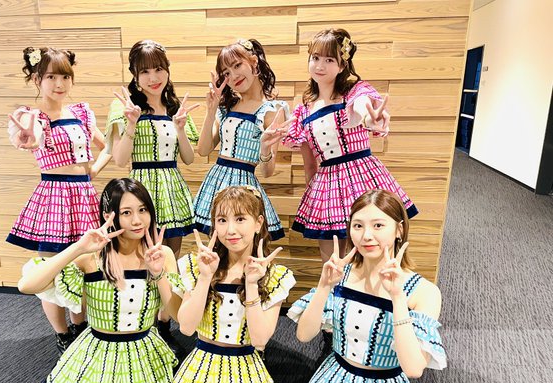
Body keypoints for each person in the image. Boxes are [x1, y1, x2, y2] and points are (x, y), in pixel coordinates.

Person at [279, 189, 446, 383]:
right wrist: (324, 287)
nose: (366, 235)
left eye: (378, 225)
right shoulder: (341, 272)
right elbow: (303, 335)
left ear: (399, 229)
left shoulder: (423, 291)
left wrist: (397, 298)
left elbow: (414, 368)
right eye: (358, 226)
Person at [17, 178, 179, 383]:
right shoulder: (92, 256)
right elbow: (28, 285)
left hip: (143, 355)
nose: (137, 220)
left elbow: (176, 313)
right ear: (110, 215)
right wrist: (78, 247)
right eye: (126, 212)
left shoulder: (162, 253)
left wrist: (159, 274)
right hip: (98, 355)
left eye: (143, 210)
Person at [150, 186, 296, 383]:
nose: (231, 229)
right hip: (200, 369)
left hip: (245, 374)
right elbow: (187, 327)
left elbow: (260, 339)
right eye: (222, 220)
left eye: (240, 219)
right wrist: (204, 278)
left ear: (259, 222)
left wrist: (252, 284)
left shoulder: (275, 275)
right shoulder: (197, 264)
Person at [7, 47, 110, 353]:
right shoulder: (31, 116)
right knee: (52, 267)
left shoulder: (81, 113)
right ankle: (62, 333)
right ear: (37, 79)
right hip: (53, 197)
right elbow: (29, 138)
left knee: (85, 263)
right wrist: (27, 138)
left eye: (65, 76)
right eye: (51, 77)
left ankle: (80, 326)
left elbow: (107, 146)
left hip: (84, 196)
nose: (59, 83)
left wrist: (93, 170)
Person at [283, 28, 417, 262]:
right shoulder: (303, 111)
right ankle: (336, 287)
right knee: (332, 259)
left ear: (342, 65)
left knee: (372, 251)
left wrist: (371, 118)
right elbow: (309, 166)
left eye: (329, 60)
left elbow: (362, 107)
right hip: (326, 185)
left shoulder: (355, 93)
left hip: (361, 178)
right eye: (315, 58)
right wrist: (313, 198)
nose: (320, 65)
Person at [106, 40, 199, 258]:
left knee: (171, 257)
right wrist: (131, 123)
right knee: (146, 256)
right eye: (145, 71)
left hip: (172, 189)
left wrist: (180, 129)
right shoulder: (124, 106)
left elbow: (188, 159)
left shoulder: (175, 107)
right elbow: (120, 160)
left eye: (158, 69)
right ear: (135, 75)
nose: (153, 78)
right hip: (141, 189)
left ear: (167, 69)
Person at [193, 39, 290, 240]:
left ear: (254, 62)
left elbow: (267, 172)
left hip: (245, 186)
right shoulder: (227, 106)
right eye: (226, 73)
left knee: (241, 243)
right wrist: (211, 109)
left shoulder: (271, 110)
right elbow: (203, 150)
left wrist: (265, 147)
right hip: (215, 183)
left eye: (237, 65)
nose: (233, 76)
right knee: (217, 244)